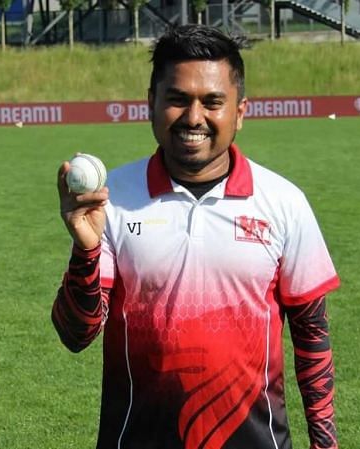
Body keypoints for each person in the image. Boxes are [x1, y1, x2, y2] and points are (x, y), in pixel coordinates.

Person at [52, 24, 341, 449]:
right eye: (177, 99)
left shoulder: (284, 202)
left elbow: (312, 335)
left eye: (212, 102)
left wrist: (325, 444)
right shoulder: (112, 199)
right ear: (151, 103)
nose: (193, 118)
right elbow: (76, 335)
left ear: (240, 111)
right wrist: (86, 249)